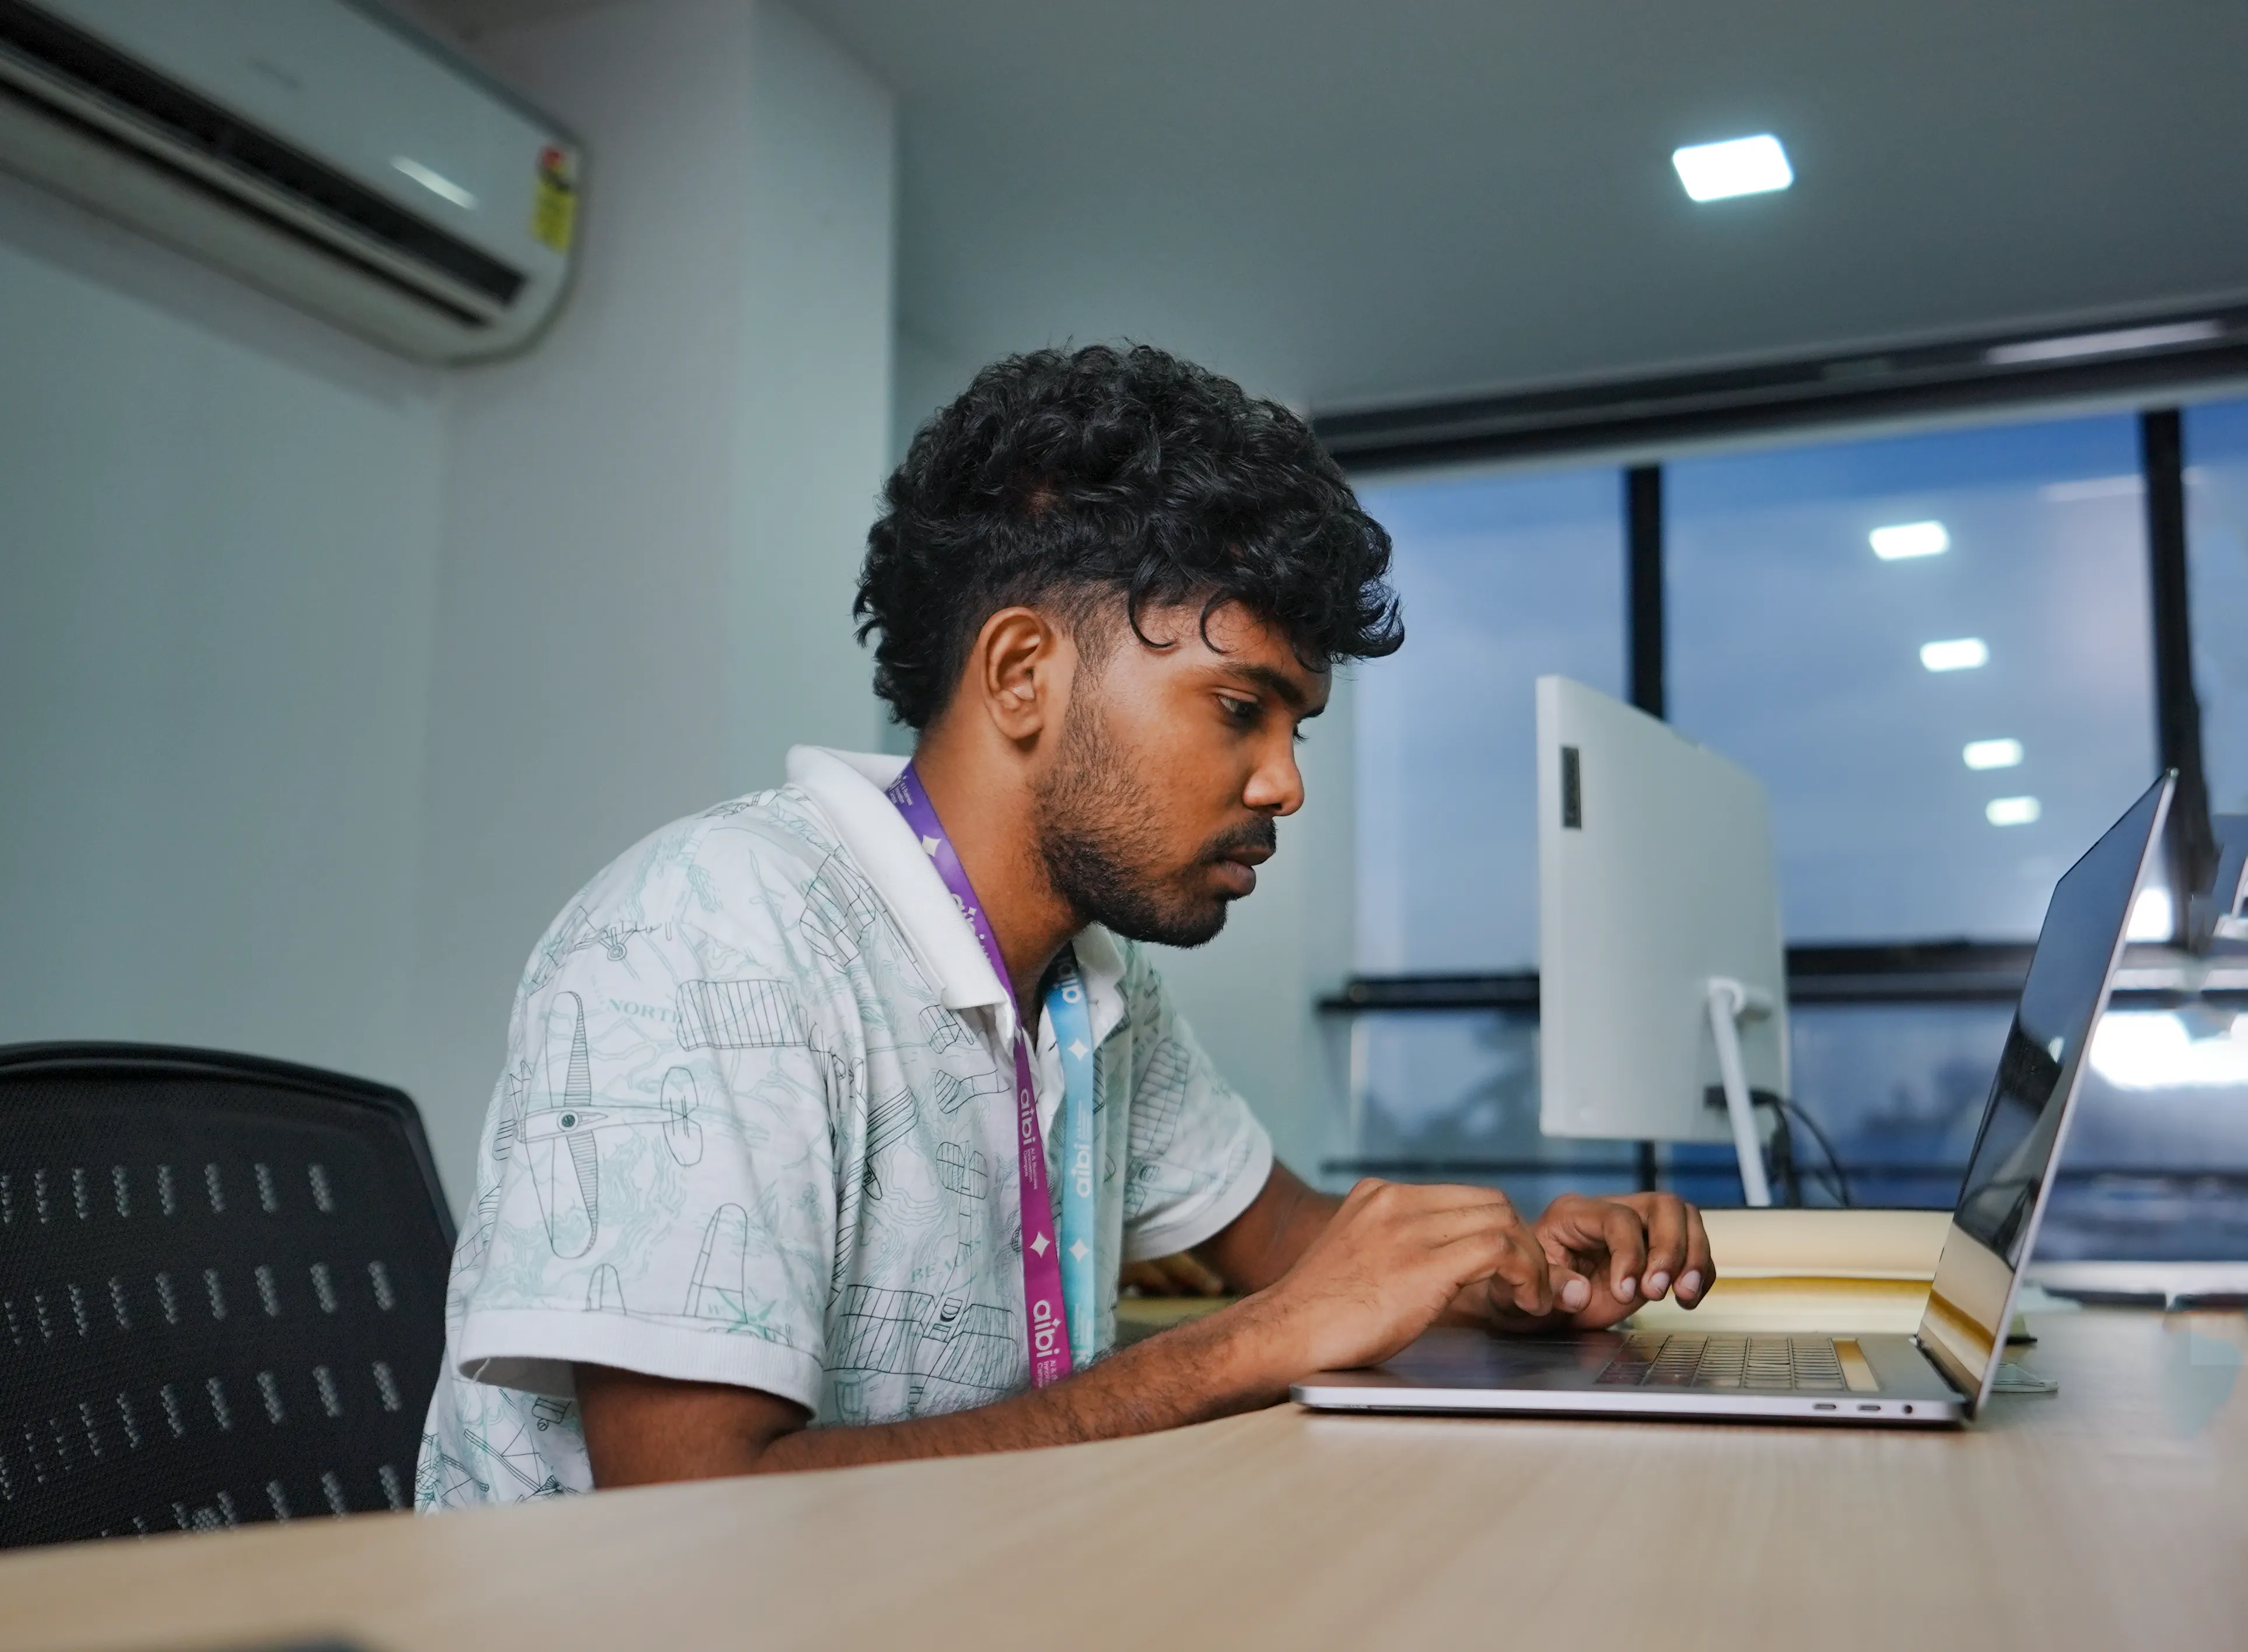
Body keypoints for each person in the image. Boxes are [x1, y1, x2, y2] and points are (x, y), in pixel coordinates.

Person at [415, 344, 1711, 1506]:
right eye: (1237, 709)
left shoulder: (1090, 984)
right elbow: (692, 1509)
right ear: (1022, 674)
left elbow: (1281, 1243)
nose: (1285, 783)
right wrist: (1253, 1345)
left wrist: (1509, 1271)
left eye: (1295, 726)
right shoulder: (712, 934)